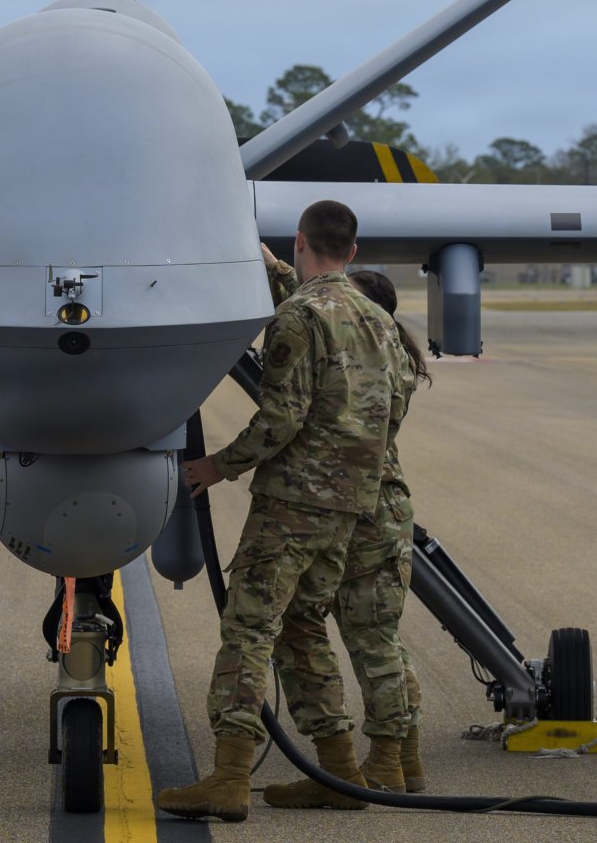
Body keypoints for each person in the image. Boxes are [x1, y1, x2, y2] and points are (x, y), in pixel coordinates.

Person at [154, 201, 410, 823]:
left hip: (293, 504)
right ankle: (342, 772)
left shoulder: (297, 319)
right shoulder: (377, 317)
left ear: (301, 240)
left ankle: (231, 776)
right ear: (352, 252)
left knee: (249, 629)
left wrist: (219, 465)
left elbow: (281, 418)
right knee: (300, 629)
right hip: (352, 505)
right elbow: (394, 405)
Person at [257, 264, 433, 804]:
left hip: (363, 510)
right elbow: (314, 297)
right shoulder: (389, 351)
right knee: (382, 639)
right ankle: (405, 761)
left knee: (369, 641)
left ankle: (381, 769)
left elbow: (320, 311)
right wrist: (274, 261)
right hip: (384, 508)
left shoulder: (366, 354)